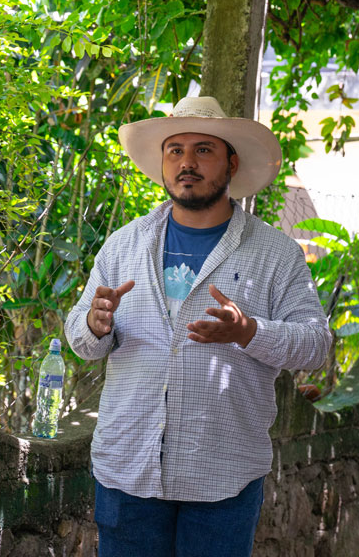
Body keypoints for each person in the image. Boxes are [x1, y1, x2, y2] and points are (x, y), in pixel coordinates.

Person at [65, 96, 330, 557]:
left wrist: (248, 331)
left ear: (231, 163)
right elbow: (80, 338)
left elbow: (315, 345)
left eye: (203, 150)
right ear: (164, 164)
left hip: (222, 476)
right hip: (128, 471)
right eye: (175, 151)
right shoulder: (123, 244)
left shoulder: (276, 254)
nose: (187, 162)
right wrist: (95, 322)